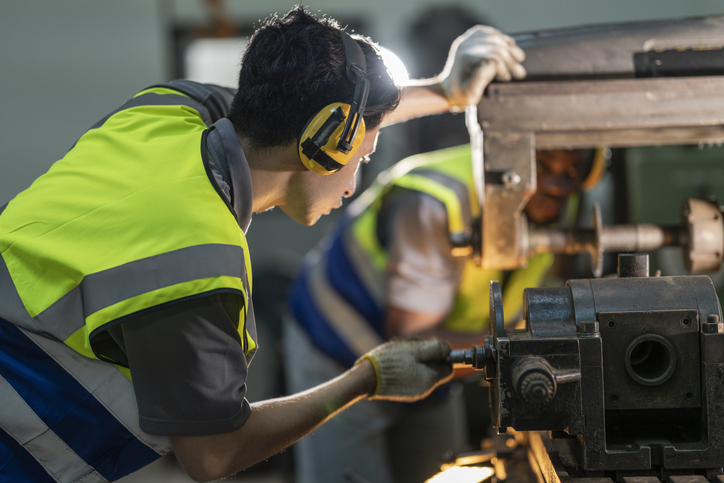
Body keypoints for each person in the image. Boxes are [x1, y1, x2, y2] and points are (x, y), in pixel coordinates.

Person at [0, 6, 527, 483]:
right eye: (361, 159)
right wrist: (366, 379)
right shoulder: (195, 267)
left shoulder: (170, 107)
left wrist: (445, 91)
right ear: (325, 147)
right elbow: (214, 456)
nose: (353, 185)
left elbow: (298, 111)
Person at [285, 144, 602, 483]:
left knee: (437, 469)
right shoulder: (434, 203)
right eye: (541, 166)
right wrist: (530, 345)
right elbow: (413, 343)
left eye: (571, 172)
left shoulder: (555, 205)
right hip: (341, 346)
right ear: (512, 159)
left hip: (441, 360)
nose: (556, 184)